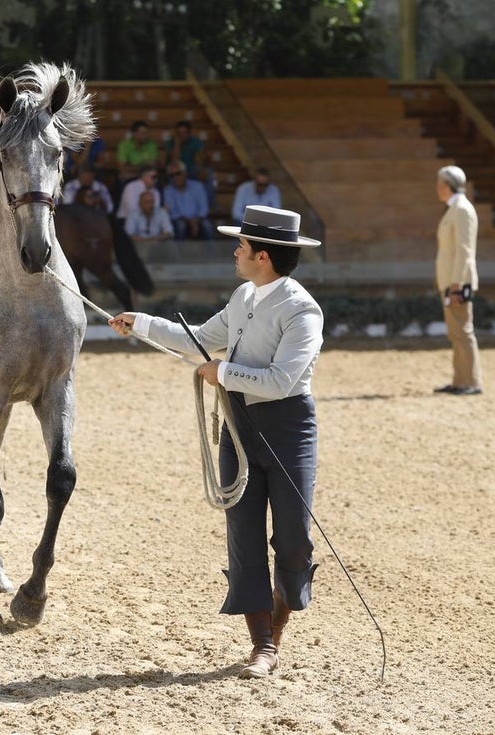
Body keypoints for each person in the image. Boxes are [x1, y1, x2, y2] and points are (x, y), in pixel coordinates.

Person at [109, 204, 324, 680]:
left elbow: (282, 381)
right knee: (244, 536)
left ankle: (276, 630)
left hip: (288, 430)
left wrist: (223, 372)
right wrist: (141, 322)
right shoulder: (243, 296)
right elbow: (201, 338)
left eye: (241, 246)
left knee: (293, 541)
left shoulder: (302, 310)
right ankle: (263, 646)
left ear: (262, 256)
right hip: (239, 425)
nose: (235, 252)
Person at [433, 165, 482, 396]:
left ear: (447, 185)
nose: (437, 188)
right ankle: (460, 380)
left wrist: (456, 284)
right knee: (456, 332)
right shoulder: (454, 209)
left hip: (457, 282)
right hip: (451, 280)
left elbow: (464, 250)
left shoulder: (461, 209)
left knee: (463, 331)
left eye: (440, 183)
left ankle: (470, 381)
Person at [164, 161, 214, 242]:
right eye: (171, 175)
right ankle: (178, 250)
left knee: (207, 225)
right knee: (181, 225)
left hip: (198, 219)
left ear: (185, 173)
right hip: (180, 220)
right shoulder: (168, 190)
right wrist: (189, 221)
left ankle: (212, 250)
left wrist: (196, 220)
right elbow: (173, 212)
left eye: (178, 173)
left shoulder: (198, 186)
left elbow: (204, 208)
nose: (175, 177)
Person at [123, 190, 174, 260]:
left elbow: (169, 233)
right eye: (147, 202)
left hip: (158, 245)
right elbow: (128, 234)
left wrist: (154, 240)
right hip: (138, 246)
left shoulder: (161, 213)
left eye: (152, 202)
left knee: (170, 243)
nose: (150, 205)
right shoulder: (133, 215)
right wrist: (145, 241)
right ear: (140, 204)